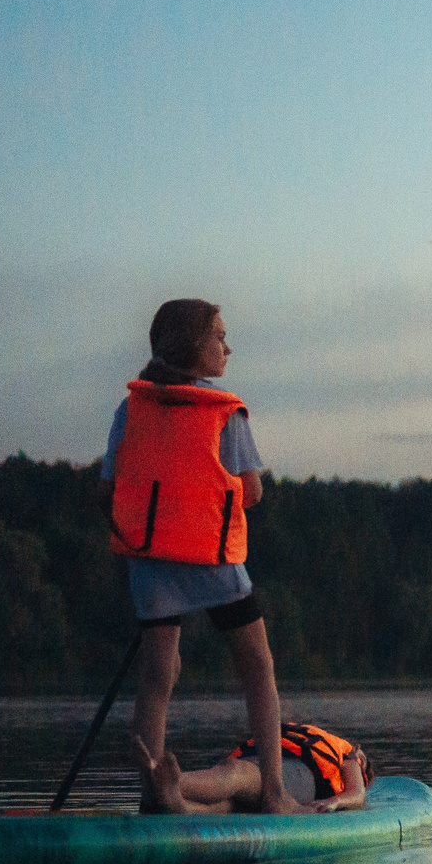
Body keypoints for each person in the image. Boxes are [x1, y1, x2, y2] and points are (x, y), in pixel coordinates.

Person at [98, 298, 299, 814]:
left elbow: (108, 490)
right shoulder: (224, 412)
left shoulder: (131, 409)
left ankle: (152, 796)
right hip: (213, 559)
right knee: (257, 666)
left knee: (157, 677)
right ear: (193, 346)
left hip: (152, 564)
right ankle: (275, 793)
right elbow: (252, 492)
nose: (227, 348)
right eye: (219, 337)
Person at [132, 722, 371, 815]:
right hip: (275, 761)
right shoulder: (340, 749)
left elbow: (357, 793)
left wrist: (333, 803)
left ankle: (170, 782)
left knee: (236, 773)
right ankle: (179, 805)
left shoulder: (352, 755)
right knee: (231, 805)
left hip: (300, 773)